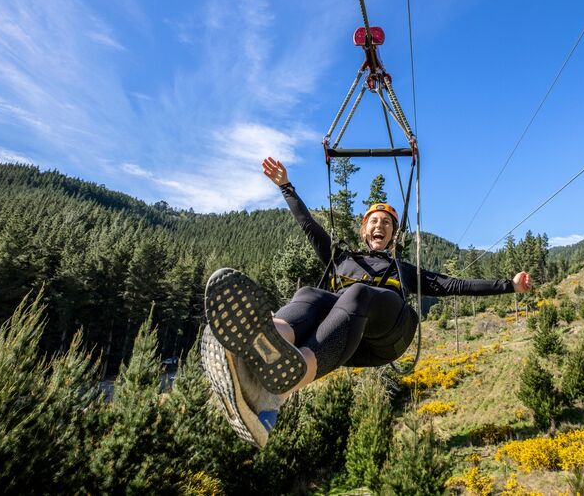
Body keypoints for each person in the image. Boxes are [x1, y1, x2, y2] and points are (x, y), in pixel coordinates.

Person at [201, 156, 531, 447]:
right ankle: (267, 344)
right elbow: (308, 225)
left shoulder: (402, 268)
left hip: (390, 335)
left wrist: (510, 286)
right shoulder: (340, 259)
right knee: (310, 294)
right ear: (364, 230)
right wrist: (286, 186)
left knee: (356, 293)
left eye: (386, 223)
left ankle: (286, 384)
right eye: (374, 221)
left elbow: (453, 284)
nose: (380, 225)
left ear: (392, 235)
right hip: (345, 337)